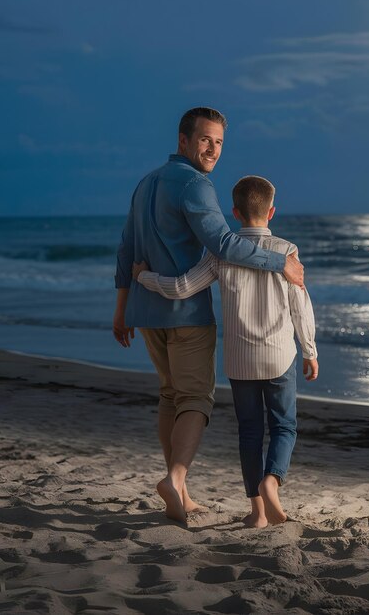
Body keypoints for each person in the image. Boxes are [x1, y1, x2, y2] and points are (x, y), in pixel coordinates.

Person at [113, 108, 304, 525]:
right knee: (196, 399)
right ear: (183, 141)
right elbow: (224, 244)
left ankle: (179, 490)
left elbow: (126, 249)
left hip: (147, 311)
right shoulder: (195, 185)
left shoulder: (145, 183)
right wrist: (280, 264)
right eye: (205, 140)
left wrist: (122, 307)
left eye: (218, 142)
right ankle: (175, 478)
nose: (213, 149)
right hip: (184, 314)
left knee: (170, 397)